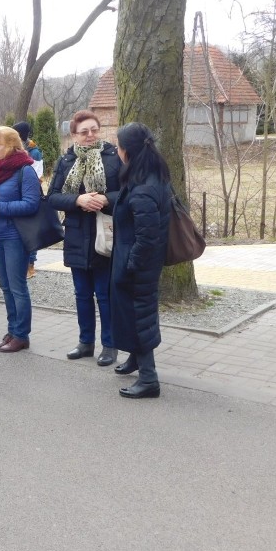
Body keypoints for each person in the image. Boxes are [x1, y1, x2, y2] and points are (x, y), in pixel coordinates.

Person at [48, 110, 122, 366]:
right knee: (81, 294)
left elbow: (128, 192)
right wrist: (78, 200)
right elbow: (53, 196)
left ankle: (110, 345)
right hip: (77, 233)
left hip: (106, 235)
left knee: (104, 294)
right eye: (84, 132)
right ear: (74, 135)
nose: (90, 135)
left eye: (94, 130)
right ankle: (85, 342)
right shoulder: (66, 161)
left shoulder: (114, 157)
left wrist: (105, 199)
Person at [110, 122, 172, 399]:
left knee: (139, 317)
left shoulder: (145, 187)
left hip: (137, 265)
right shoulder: (145, 176)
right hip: (133, 261)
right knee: (130, 314)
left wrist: (131, 265)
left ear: (128, 151)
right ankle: (135, 359)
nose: (116, 149)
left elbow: (147, 237)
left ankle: (149, 379)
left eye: (118, 145)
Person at [0, 126, 41, 353]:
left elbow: (31, 204)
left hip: (16, 236)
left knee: (18, 287)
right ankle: (12, 330)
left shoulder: (25, 170)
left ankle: (21, 335)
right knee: (5, 287)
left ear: (11, 145)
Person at [13, 121, 43, 278]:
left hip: (31, 192)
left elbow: (38, 173)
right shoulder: (15, 148)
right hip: (17, 193)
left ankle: (31, 265)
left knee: (30, 230)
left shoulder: (34, 151)